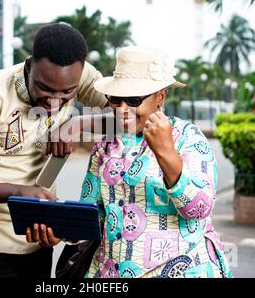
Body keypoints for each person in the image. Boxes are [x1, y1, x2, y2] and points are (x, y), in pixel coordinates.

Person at [0, 23, 108, 278]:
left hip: (39, 241)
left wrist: (79, 122)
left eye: (67, 92)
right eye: (45, 88)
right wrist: (20, 193)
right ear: (29, 65)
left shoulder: (79, 74)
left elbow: (131, 116)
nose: (55, 102)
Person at [77, 46, 233, 278]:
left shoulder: (187, 138)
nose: (122, 109)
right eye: (116, 99)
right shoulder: (106, 145)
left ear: (160, 96)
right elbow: (92, 213)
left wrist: (165, 152)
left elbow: (199, 208)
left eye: (133, 100)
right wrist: (60, 228)